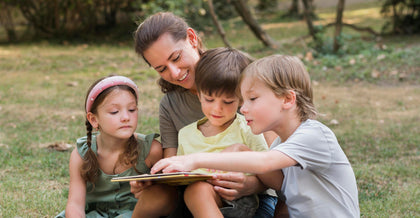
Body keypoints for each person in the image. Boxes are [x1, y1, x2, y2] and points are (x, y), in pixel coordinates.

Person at [150, 55, 360, 217]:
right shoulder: (281, 143)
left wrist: (193, 159)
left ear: (287, 99)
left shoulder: (314, 135)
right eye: (242, 100)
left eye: (252, 98)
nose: (244, 108)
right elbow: (279, 183)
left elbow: (264, 162)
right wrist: (239, 151)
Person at [133, 12, 281, 218]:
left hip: (255, 196)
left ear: (192, 39)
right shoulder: (171, 104)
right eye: (162, 69)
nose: (174, 73)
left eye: (176, 57)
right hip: (198, 198)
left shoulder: (238, 75)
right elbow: (175, 166)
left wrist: (251, 185)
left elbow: (276, 159)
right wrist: (154, 179)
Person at [177, 47, 280, 218]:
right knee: (197, 189)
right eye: (209, 99)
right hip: (201, 204)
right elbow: (181, 178)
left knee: (198, 190)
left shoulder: (247, 129)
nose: (217, 108)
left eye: (228, 101)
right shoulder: (186, 134)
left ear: (240, 100)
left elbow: (270, 174)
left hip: (244, 200)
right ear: (199, 95)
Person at [57, 75, 176, 218]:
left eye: (132, 110)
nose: (126, 117)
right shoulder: (82, 154)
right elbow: (75, 205)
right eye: (114, 112)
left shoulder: (151, 150)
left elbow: (165, 198)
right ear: (94, 120)